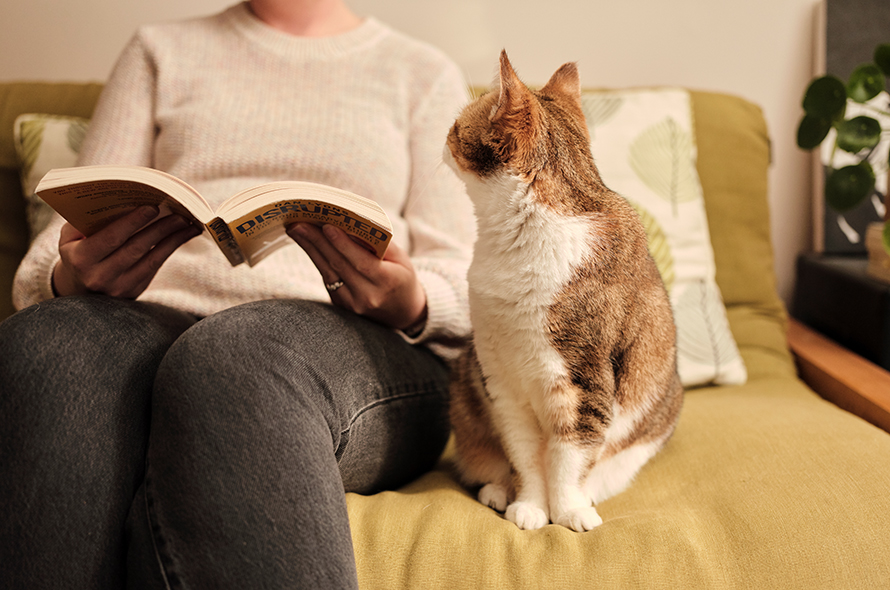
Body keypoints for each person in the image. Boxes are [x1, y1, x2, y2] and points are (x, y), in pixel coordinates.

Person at [0, 0, 475, 587]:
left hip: (353, 343)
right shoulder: (157, 50)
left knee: (237, 358)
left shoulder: (423, 73)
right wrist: (72, 278)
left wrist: (411, 299)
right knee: (47, 346)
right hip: (156, 320)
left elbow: (469, 278)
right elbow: (59, 241)